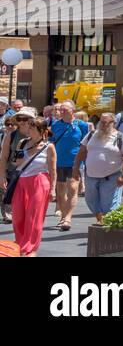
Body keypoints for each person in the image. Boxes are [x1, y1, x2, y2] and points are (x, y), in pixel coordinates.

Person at [5, 111, 56, 256]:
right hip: (21, 181)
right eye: (29, 126)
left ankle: (31, 248)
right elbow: (14, 160)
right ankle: (20, 243)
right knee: (18, 216)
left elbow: (53, 170)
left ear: (41, 131)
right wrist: (17, 162)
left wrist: (53, 190)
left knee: (34, 217)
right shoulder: (22, 142)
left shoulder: (49, 147)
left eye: (32, 127)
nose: (29, 129)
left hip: (40, 181)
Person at [73, 112, 123, 224]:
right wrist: (76, 167)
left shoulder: (121, 137)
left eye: (106, 123)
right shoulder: (91, 135)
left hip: (111, 176)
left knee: (109, 206)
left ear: (114, 123)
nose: (103, 125)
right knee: (91, 202)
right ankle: (101, 221)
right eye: (101, 122)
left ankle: (107, 226)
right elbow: (81, 151)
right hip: (91, 176)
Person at [50, 99, 90, 232]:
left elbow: (85, 144)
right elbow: (51, 143)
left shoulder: (82, 125)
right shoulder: (55, 125)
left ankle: (67, 218)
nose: (61, 111)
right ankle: (63, 216)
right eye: (60, 109)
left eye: (64, 109)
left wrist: (84, 161)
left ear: (73, 111)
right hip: (59, 162)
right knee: (61, 192)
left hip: (75, 163)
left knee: (73, 190)